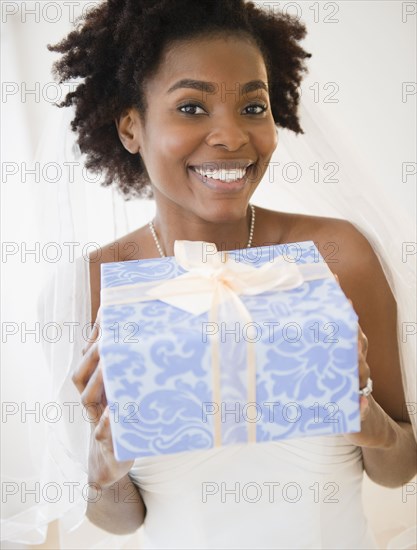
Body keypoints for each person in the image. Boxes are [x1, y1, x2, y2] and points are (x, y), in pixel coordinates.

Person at [47, 0, 416, 547]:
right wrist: (104, 470)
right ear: (130, 126)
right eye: (192, 107)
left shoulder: (338, 255)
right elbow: (121, 519)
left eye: (253, 107)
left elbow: (398, 468)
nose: (232, 137)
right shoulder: (95, 286)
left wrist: (369, 421)